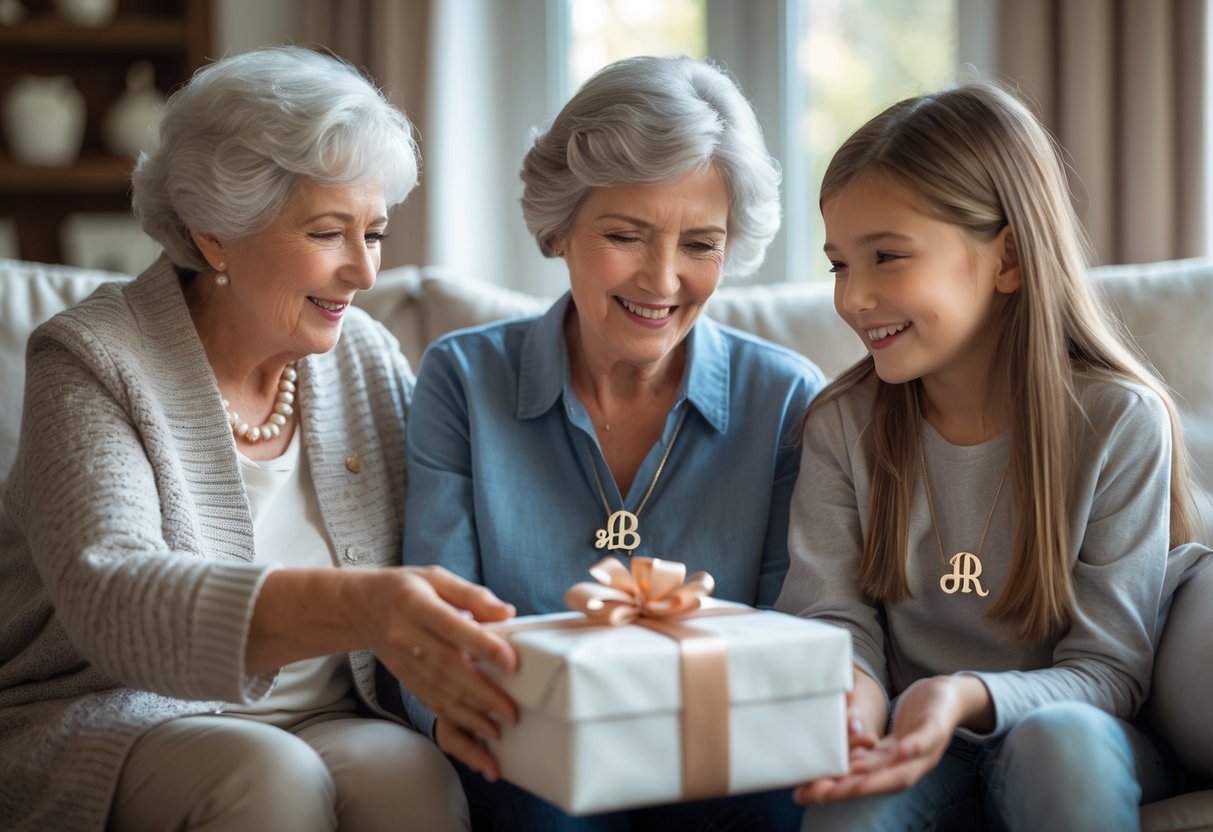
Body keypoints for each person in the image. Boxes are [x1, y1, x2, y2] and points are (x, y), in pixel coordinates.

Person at [0, 45, 520, 832]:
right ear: (215, 234)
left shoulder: (365, 355)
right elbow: (113, 596)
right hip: (125, 714)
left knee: (409, 774)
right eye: (327, 232)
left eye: (373, 233)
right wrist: (362, 605)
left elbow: (462, 516)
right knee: (266, 778)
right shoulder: (89, 359)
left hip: (329, 717)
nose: (364, 273)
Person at [401, 55, 826, 830]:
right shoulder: (462, 379)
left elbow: (790, 637)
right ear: (559, 227)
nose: (662, 281)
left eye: (700, 245)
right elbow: (433, 624)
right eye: (626, 236)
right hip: (529, 757)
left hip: (725, 757)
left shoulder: (785, 398)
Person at [775, 80, 1206, 831]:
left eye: (886, 257)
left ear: (1005, 257)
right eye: (840, 264)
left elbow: (1109, 673)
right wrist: (854, 701)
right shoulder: (840, 425)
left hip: (1074, 731)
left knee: (1059, 747)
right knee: (853, 807)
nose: (851, 298)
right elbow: (832, 616)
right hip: (918, 745)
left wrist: (960, 696)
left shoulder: (1116, 422)